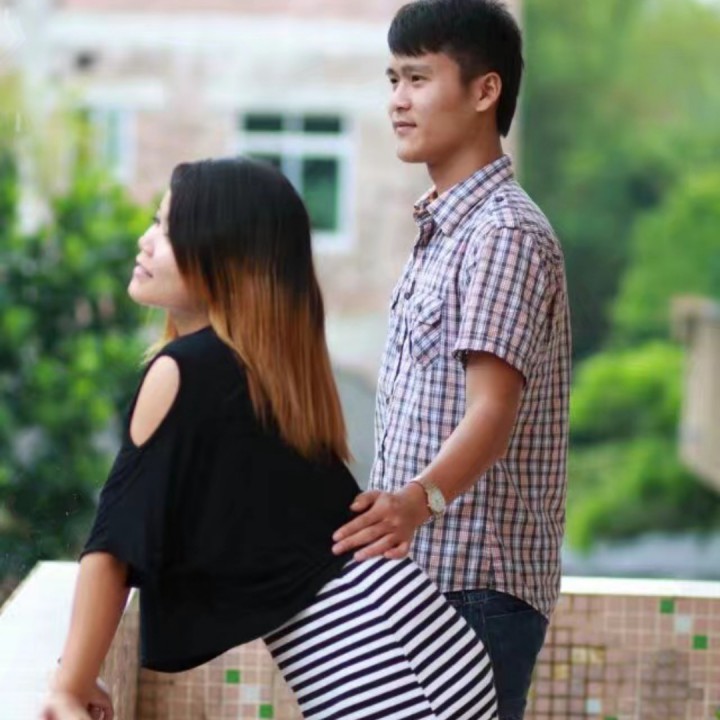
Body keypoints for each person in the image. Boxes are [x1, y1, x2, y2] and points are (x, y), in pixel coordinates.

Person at [41, 157, 498, 720]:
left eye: (167, 228)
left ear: (224, 255)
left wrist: (70, 684)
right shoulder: (261, 371)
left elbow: (115, 540)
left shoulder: (188, 370)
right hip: (424, 649)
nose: (145, 240)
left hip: (385, 674)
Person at [331, 2, 572, 719]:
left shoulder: (503, 233)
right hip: (426, 581)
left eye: (417, 78)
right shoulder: (444, 232)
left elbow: (492, 413)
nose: (397, 101)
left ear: (485, 90)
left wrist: (416, 504)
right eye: (392, 80)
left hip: (474, 590)